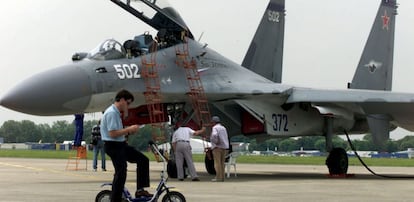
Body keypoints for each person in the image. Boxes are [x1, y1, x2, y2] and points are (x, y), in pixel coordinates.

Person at [100, 89, 152, 201]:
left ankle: (140, 190)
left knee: (143, 160)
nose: (128, 106)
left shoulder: (116, 113)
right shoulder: (112, 113)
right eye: (128, 103)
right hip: (113, 146)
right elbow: (112, 133)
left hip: (120, 144)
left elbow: (118, 132)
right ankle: (115, 199)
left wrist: (127, 131)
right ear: (122, 100)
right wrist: (128, 129)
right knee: (121, 172)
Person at [210, 116, 229, 182]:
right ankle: (222, 177)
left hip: (217, 147)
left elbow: (214, 135)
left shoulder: (215, 128)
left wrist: (216, 141)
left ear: (214, 122)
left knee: (217, 163)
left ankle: (218, 177)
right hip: (224, 147)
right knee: (222, 163)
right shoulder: (223, 128)